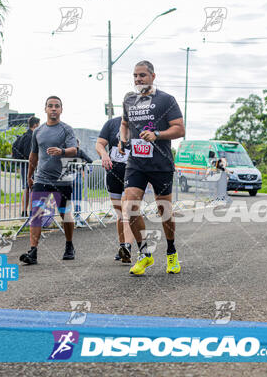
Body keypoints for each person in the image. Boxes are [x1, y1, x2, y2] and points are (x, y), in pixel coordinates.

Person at [119, 60, 185, 275]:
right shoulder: (129, 100)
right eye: (135, 75)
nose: (138, 79)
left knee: (163, 210)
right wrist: (122, 140)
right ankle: (145, 254)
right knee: (129, 206)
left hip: (161, 163)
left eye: (142, 75)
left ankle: (171, 252)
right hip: (136, 162)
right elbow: (125, 123)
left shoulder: (166, 100)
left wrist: (158, 135)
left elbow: (180, 129)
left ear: (153, 76)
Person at [19, 96, 78, 265]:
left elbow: (74, 150)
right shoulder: (38, 131)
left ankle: (69, 245)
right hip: (41, 179)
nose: (53, 109)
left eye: (57, 106)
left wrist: (61, 151)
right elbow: (34, 155)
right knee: (36, 215)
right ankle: (33, 251)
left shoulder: (67, 129)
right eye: (50, 106)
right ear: (45, 109)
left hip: (62, 179)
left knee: (64, 214)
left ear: (61, 109)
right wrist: (30, 175)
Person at [96, 116, 134, 262]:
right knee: (120, 214)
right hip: (113, 172)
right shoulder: (112, 123)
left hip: (132, 172)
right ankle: (122, 247)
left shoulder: (140, 123)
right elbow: (99, 143)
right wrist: (104, 154)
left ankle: (128, 247)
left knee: (127, 211)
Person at [12, 116, 40, 216]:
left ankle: (24, 211)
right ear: (35, 125)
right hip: (30, 165)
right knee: (32, 188)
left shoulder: (23, 136)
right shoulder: (31, 136)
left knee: (26, 188)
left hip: (24, 165)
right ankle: (32, 212)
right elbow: (31, 153)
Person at [71, 139, 93, 228]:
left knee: (71, 198)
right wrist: (83, 164)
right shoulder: (79, 151)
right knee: (77, 198)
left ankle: (71, 219)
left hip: (67, 177)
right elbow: (90, 160)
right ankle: (76, 218)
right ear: (78, 144)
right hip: (76, 177)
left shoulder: (66, 152)